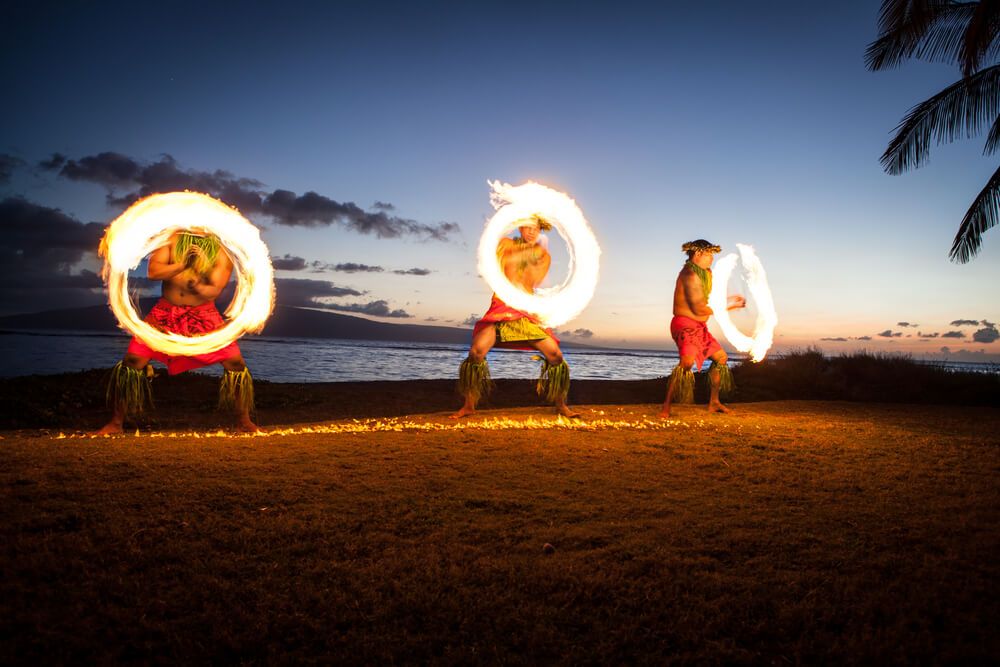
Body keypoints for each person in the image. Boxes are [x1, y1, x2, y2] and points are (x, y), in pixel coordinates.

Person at [95, 231, 258, 434]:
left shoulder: (222, 250)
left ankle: (243, 421)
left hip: (204, 316)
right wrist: (184, 265)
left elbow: (214, 290)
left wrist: (196, 281)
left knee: (235, 364)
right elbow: (153, 272)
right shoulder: (171, 239)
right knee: (132, 362)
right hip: (165, 313)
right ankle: (116, 423)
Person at [451, 214, 579, 419]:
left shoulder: (542, 255)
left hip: (524, 310)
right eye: (527, 227)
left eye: (535, 228)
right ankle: (469, 405)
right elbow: (488, 258)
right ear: (519, 228)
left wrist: (529, 256)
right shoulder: (504, 244)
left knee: (556, 356)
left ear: (540, 231)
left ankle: (561, 405)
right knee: (476, 353)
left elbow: (535, 280)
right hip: (501, 307)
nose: (531, 231)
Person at [660, 239, 746, 418]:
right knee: (686, 363)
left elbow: (709, 300)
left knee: (721, 358)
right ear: (698, 254)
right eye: (709, 255)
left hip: (700, 327)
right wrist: (728, 305)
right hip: (684, 325)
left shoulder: (706, 273)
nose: (711, 259)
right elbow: (698, 308)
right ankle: (666, 406)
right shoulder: (689, 275)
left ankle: (714, 402)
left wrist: (728, 300)